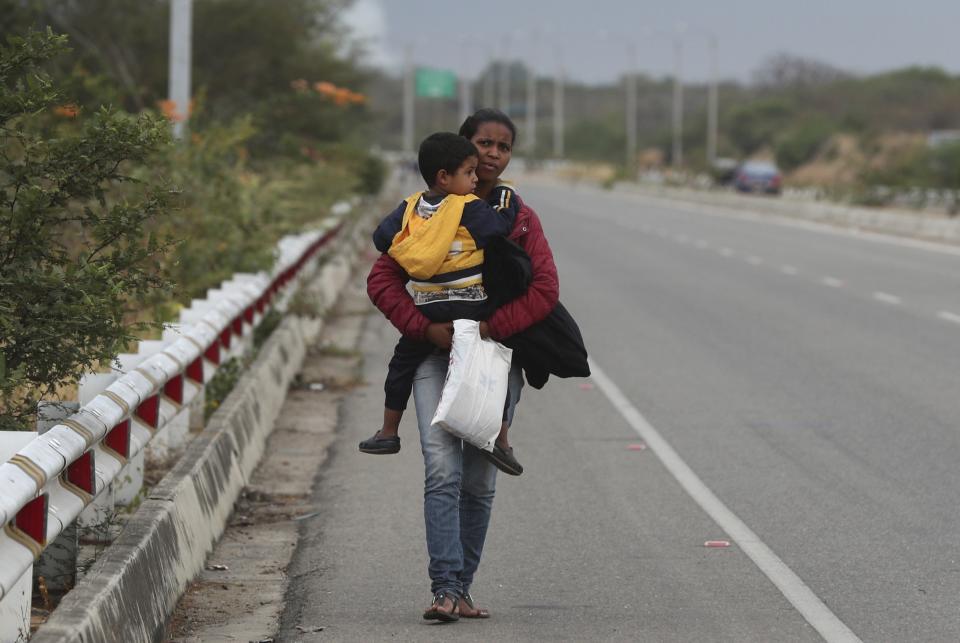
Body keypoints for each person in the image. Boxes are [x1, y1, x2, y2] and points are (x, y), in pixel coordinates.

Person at [366, 108, 560, 621]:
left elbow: (544, 289)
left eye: (504, 147)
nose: (493, 155)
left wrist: (492, 328)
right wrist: (424, 329)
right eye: (483, 145)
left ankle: (463, 587)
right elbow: (382, 278)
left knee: (477, 481)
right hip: (434, 354)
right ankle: (444, 587)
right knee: (440, 469)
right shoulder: (422, 213)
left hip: (494, 360)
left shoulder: (514, 214)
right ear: (463, 150)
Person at [358, 131, 521, 468]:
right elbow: (497, 229)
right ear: (445, 177)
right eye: (469, 172)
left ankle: (388, 431)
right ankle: (501, 440)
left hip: (428, 312)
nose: (476, 180)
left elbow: (381, 238)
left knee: (401, 364)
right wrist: (504, 197)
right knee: (496, 365)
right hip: (471, 308)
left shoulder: (410, 208)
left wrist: (422, 239)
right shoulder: (467, 206)